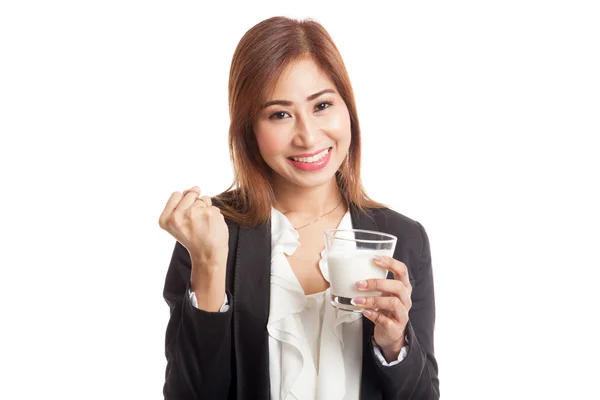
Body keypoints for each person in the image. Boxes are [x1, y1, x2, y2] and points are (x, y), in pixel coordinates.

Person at [158, 16, 439, 400]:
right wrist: (208, 264)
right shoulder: (212, 233)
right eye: (280, 114)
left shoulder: (404, 238)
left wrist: (394, 346)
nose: (308, 136)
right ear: (249, 130)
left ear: (348, 109)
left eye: (322, 105)